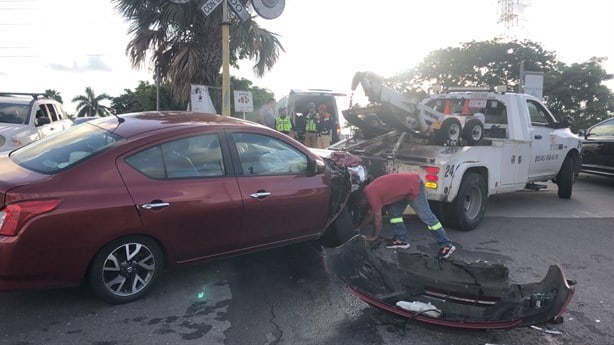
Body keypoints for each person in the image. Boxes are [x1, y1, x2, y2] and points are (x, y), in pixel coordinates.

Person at [349, 173, 456, 259]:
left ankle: (446, 245)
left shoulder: (372, 196)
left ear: (361, 200)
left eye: (358, 205)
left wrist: (374, 236)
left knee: (426, 216)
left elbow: (377, 218)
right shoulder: (367, 192)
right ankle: (401, 239)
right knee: (394, 213)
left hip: (414, 186)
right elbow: (371, 215)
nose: (360, 207)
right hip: (402, 191)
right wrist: (359, 226)